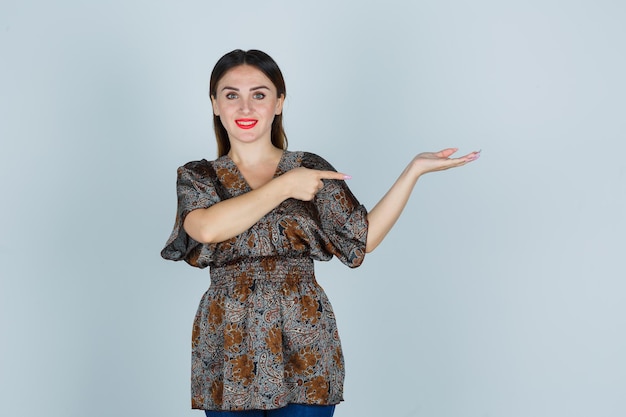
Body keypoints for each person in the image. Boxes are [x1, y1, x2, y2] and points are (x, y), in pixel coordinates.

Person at [161, 49, 480, 417]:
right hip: (229, 334)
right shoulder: (198, 176)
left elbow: (362, 238)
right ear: (215, 104)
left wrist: (413, 171)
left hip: (304, 333)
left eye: (259, 95)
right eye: (231, 95)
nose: (245, 108)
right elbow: (207, 228)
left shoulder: (309, 167)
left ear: (279, 102)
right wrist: (285, 186)